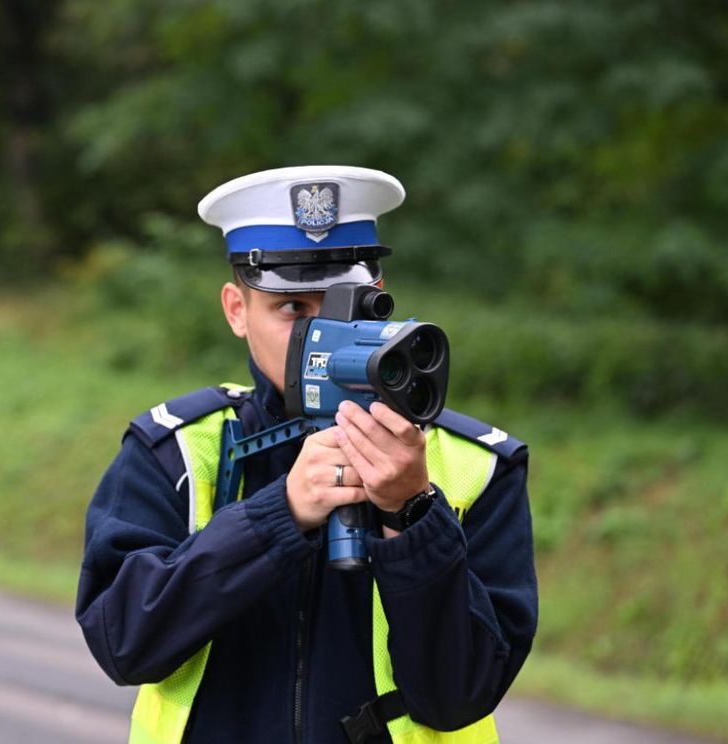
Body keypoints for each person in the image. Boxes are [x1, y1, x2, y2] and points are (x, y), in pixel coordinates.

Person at [76, 166, 537, 744]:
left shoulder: (475, 466)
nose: (323, 334)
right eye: (293, 309)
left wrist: (411, 514)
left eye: (347, 304)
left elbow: (457, 697)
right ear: (237, 310)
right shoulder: (176, 453)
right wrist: (278, 515)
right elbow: (124, 645)